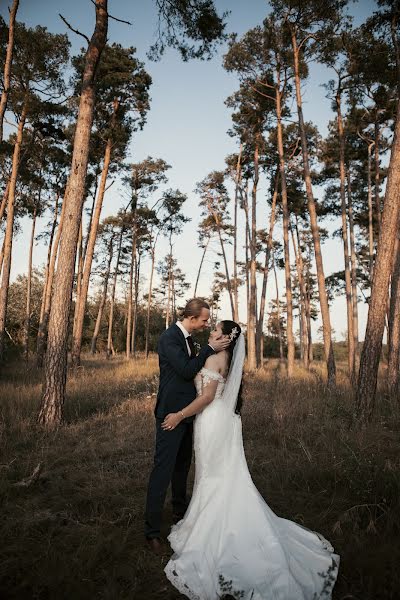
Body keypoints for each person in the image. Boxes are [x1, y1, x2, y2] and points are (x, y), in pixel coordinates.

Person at [161, 320, 340, 600]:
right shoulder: (224, 356)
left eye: (216, 329)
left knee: (214, 475)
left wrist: (179, 415)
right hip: (221, 420)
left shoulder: (217, 356)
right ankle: (203, 516)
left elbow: (207, 396)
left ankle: (213, 526)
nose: (212, 330)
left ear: (225, 337)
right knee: (219, 474)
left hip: (211, 419)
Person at [144, 298, 230, 554]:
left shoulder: (191, 340)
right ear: (192, 318)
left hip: (188, 414)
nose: (206, 324)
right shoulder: (170, 337)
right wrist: (210, 349)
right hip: (171, 415)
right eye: (204, 320)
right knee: (162, 471)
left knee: (182, 467)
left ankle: (179, 513)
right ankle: (151, 532)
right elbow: (184, 370)